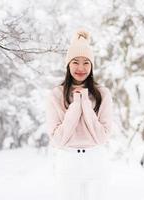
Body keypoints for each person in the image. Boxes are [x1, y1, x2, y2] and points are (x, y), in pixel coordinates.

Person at [45, 28, 113, 200]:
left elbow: (102, 137)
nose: (81, 68)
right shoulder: (55, 94)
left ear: (92, 65)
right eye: (75, 61)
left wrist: (85, 104)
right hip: (67, 162)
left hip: (96, 161)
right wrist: (76, 105)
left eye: (86, 62)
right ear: (68, 64)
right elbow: (58, 140)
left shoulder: (103, 93)